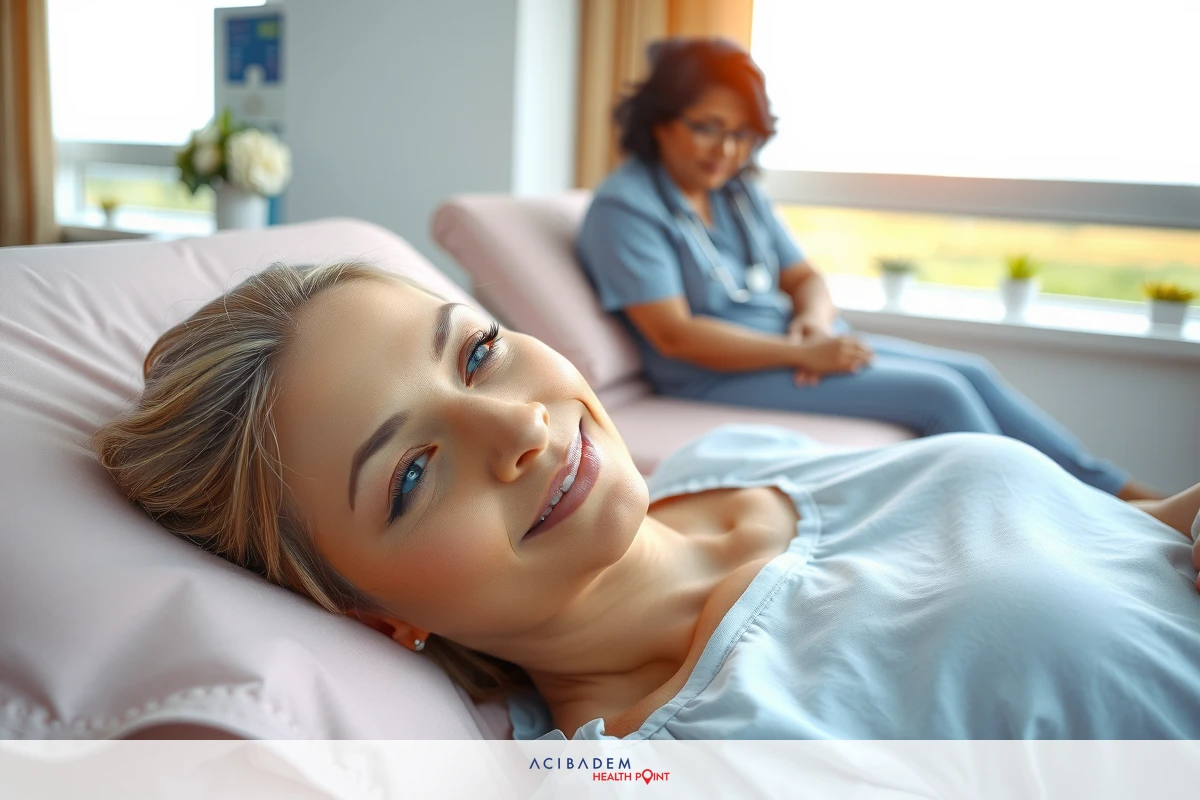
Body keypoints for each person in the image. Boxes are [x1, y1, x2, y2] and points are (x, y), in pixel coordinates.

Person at [94, 262, 1200, 741]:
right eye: (413, 474)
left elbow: (1116, 547)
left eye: (477, 352)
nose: (522, 427)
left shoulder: (745, 457)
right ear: (373, 614)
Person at [575, 37, 1159, 502]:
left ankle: (1119, 493)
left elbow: (805, 279)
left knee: (970, 370)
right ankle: (1065, 511)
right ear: (659, 120)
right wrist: (801, 354)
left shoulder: (734, 191)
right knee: (938, 393)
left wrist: (814, 325)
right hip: (706, 371)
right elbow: (674, 334)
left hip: (784, 343)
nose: (725, 151)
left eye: (742, 135)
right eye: (707, 127)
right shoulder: (626, 205)